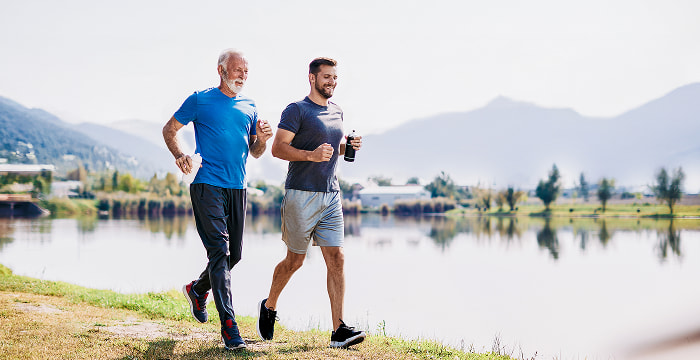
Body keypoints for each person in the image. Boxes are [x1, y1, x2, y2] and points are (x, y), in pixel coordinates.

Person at [162, 49, 273, 351]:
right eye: (237, 70)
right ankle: (229, 327)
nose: (242, 76)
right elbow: (170, 130)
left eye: (246, 72)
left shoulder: (250, 106)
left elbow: (255, 151)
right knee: (220, 252)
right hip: (206, 183)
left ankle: (198, 290)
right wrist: (181, 155)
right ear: (221, 70)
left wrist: (262, 139)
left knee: (233, 254)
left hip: (238, 186)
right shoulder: (200, 99)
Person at [256, 57, 366, 348]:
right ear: (312, 78)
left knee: (337, 258)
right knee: (295, 261)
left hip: (331, 195)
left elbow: (330, 150)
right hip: (300, 194)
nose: (331, 82)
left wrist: (347, 147)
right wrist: (310, 155)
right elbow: (278, 149)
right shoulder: (297, 110)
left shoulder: (337, 111)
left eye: (335, 77)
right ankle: (269, 306)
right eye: (326, 77)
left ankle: (338, 330)